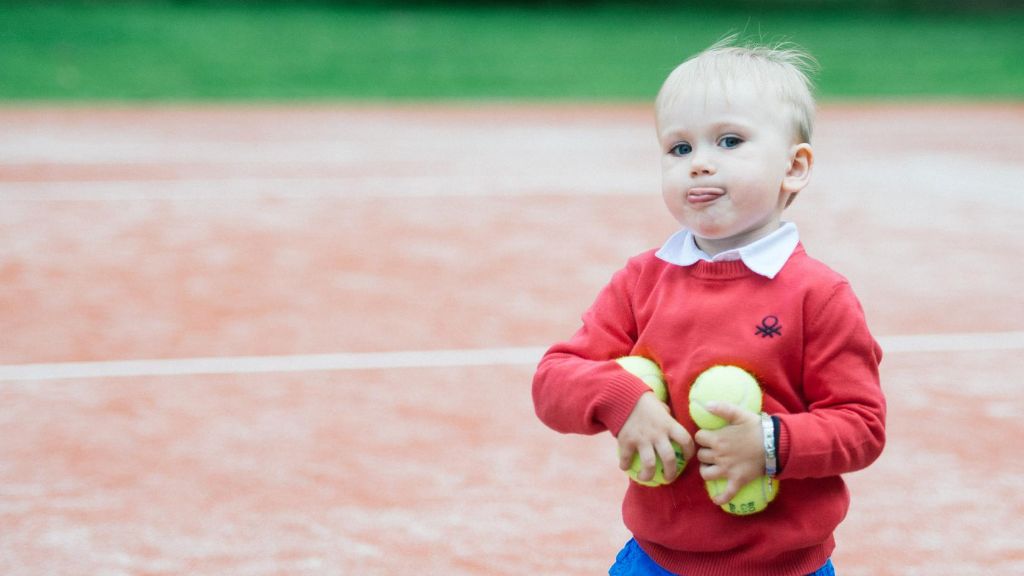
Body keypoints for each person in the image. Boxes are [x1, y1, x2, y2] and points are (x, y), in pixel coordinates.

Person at [531, 38, 886, 576]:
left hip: (785, 566)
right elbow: (553, 380)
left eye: (728, 140)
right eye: (679, 149)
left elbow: (861, 427)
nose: (699, 164)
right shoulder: (641, 282)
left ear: (795, 167)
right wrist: (619, 397)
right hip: (655, 560)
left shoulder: (819, 295)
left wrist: (770, 443)